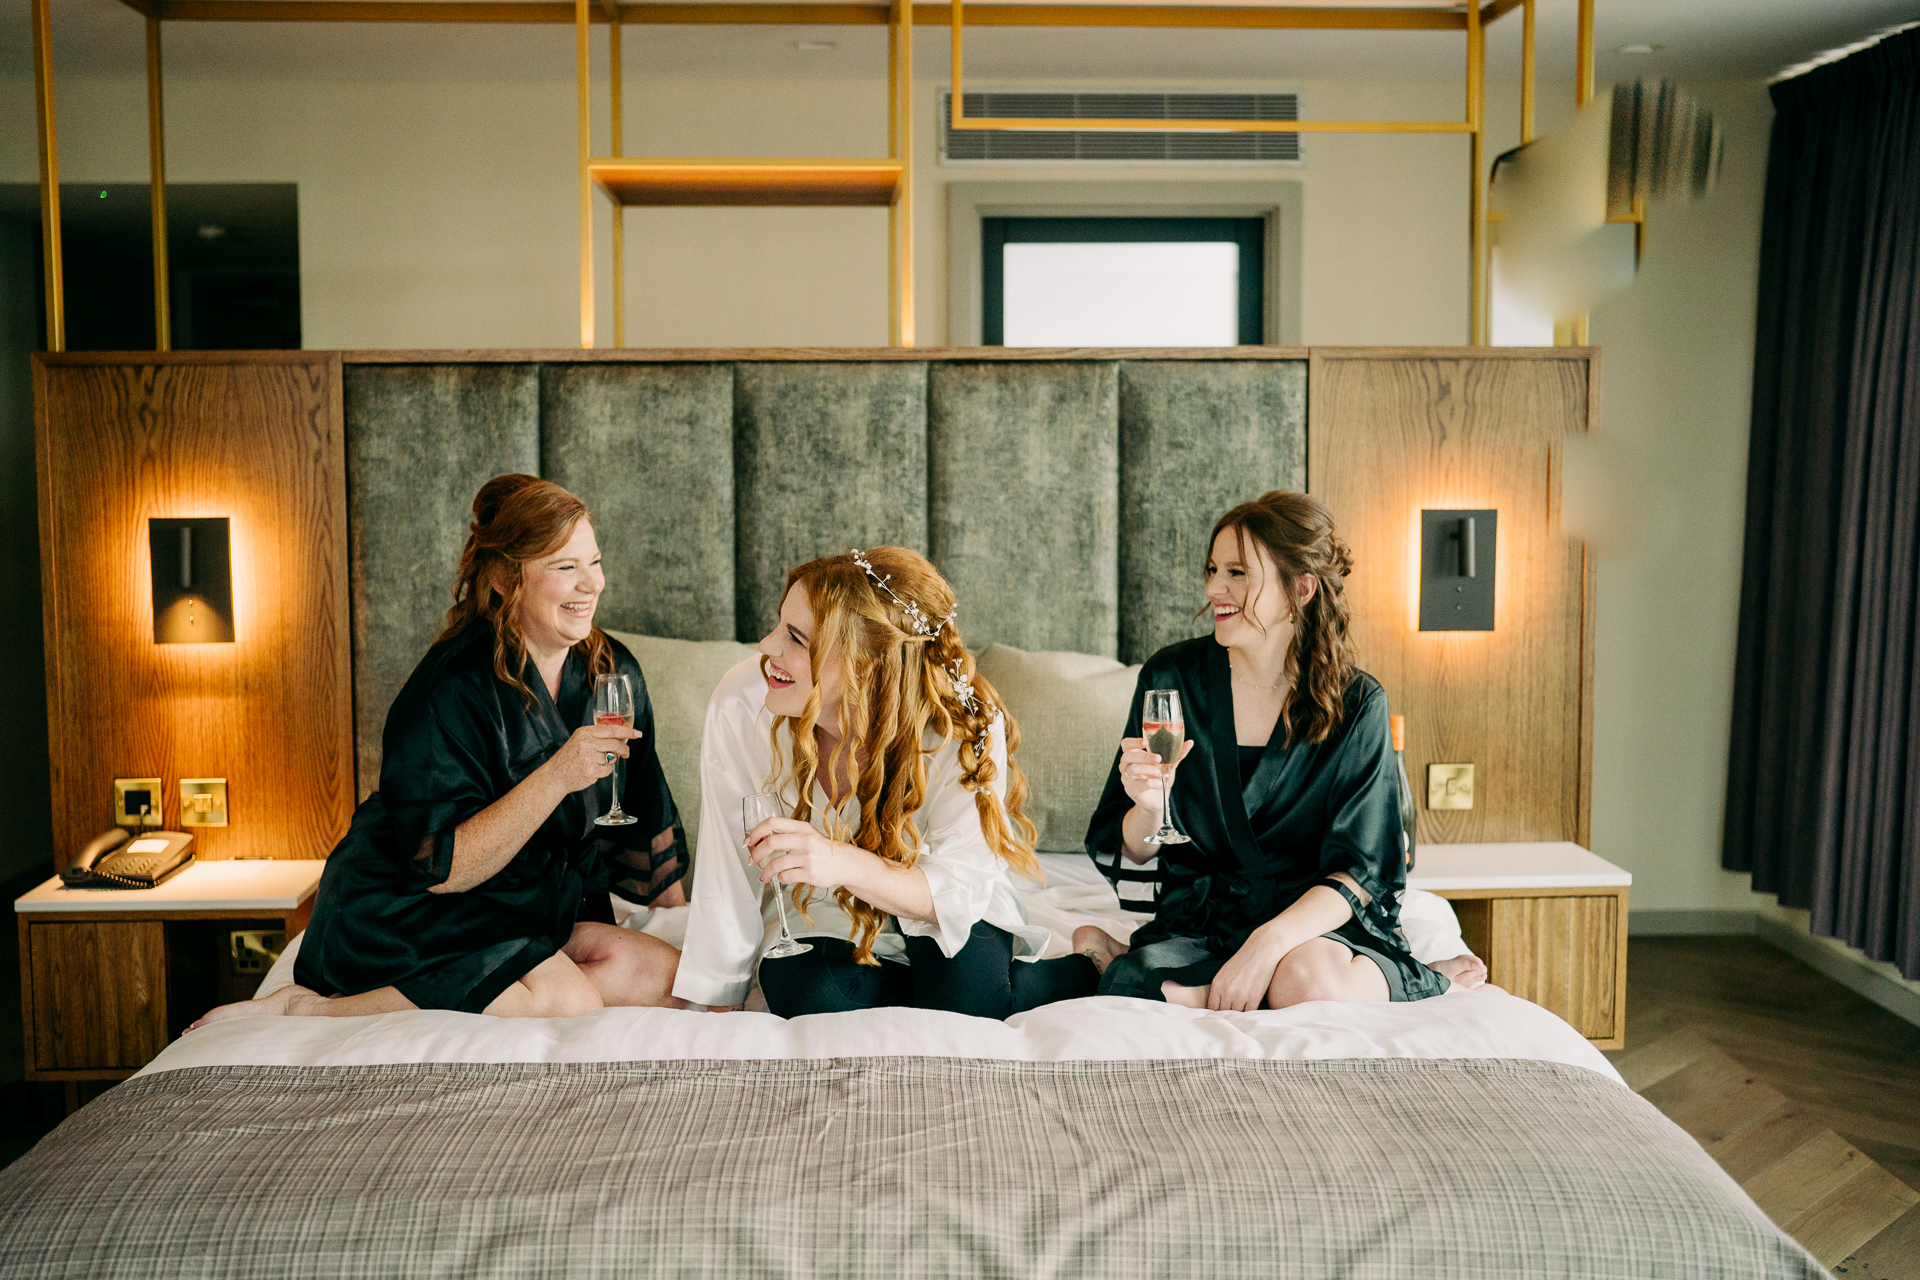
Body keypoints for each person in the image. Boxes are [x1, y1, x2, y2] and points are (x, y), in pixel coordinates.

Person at [192, 475, 688, 1027]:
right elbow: (442, 868)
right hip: (416, 906)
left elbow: (643, 809)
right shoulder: (450, 687)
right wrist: (558, 775)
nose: (591, 584)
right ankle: (312, 1010)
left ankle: (505, 984)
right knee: (566, 1000)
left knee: (665, 977)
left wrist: (679, 923)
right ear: (503, 578)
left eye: (593, 562)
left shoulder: (611, 671)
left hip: (524, 901)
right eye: (565, 567)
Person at [1075, 490, 1487, 1010]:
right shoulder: (1172, 681)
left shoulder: (1357, 703)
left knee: (1308, 984)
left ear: (1300, 589)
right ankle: (1177, 982)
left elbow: (1362, 870)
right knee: (1154, 985)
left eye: (1238, 573)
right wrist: (1149, 808)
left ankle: (1422, 975)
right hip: (1206, 918)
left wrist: (1266, 945)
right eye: (1212, 569)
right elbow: (1131, 848)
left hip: (1312, 920)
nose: (1214, 587)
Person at [673, 547, 1098, 1018]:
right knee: (806, 991)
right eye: (780, 625)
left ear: (865, 665)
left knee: (965, 1009)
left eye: (796, 638)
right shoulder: (743, 702)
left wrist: (840, 860)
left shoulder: (962, 723)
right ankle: (970, 989)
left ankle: (1092, 967)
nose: (766, 647)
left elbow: (961, 883)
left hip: (936, 895)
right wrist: (720, 1001)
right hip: (823, 902)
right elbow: (727, 865)